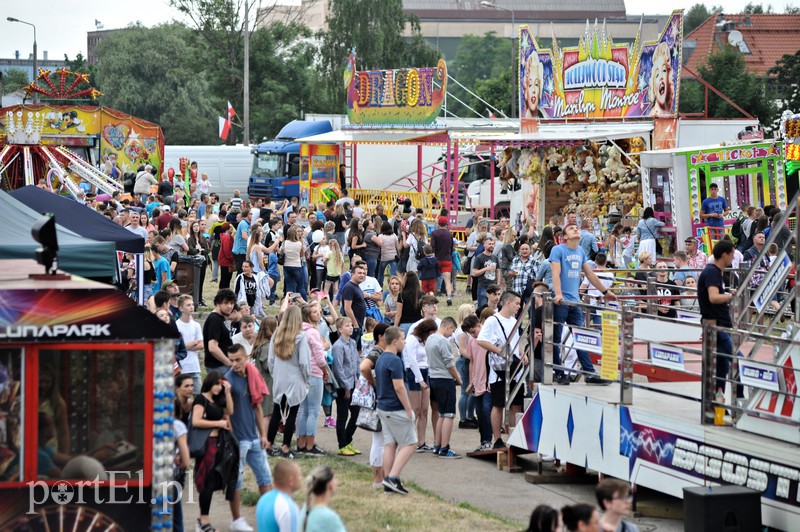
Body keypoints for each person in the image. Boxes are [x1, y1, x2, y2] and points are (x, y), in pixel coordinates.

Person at [550, 223, 617, 385]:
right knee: (556, 338)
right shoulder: (558, 250)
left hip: (574, 301)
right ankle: (558, 372)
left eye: (576, 228)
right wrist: (558, 293)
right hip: (562, 301)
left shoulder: (580, 251)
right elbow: (555, 273)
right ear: (564, 236)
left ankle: (589, 372)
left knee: (580, 337)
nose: (576, 229)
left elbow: (590, 274)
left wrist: (605, 292)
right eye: (571, 228)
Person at [225, 345, 272, 532]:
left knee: (265, 478)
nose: (234, 364)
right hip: (238, 440)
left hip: (254, 437)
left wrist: (263, 435)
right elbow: (226, 413)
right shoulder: (227, 380)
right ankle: (236, 520)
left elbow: (258, 408)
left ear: (246, 357)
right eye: (231, 360)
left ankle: (268, 515)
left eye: (237, 359)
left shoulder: (252, 374)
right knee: (236, 481)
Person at [477, 291, 525, 449]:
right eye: (517, 303)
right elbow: (481, 340)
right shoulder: (492, 320)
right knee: (498, 404)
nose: (519, 306)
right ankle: (497, 439)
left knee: (516, 404)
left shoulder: (514, 321)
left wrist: (522, 353)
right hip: (499, 370)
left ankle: (514, 438)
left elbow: (516, 342)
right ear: (508, 303)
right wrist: (499, 351)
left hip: (515, 368)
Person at [697, 239, 743, 401]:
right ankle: (740, 398)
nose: (734, 257)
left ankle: (719, 399)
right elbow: (714, 297)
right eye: (732, 254)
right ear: (725, 255)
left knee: (722, 367)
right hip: (717, 326)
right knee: (738, 361)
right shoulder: (713, 273)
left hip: (719, 325)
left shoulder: (714, 272)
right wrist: (731, 296)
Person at [192, 371, 237, 532]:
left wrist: (227, 392)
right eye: (217, 384)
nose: (218, 387)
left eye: (221, 384)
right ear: (210, 382)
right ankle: (204, 521)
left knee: (213, 480)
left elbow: (230, 412)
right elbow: (196, 421)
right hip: (207, 444)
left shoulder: (218, 399)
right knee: (207, 481)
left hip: (219, 444)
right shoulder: (201, 399)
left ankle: (203, 521)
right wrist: (217, 423)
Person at [376, 326, 416, 495]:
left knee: (390, 444)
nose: (405, 341)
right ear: (394, 341)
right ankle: (392, 477)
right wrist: (409, 409)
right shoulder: (394, 360)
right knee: (410, 443)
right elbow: (399, 387)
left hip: (383, 407)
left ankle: (387, 480)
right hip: (395, 408)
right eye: (402, 338)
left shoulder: (381, 358)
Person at [267, 305, 311, 459]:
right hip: (295, 377)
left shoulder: (276, 335)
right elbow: (304, 362)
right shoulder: (300, 337)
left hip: (280, 376)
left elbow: (270, 360)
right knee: (292, 412)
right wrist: (307, 378)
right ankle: (285, 446)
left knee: (277, 412)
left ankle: (269, 444)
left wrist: (275, 374)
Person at [295, 302, 329, 455]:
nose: (318, 314)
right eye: (315, 312)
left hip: (302, 373)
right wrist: (325, 370)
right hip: (314, 372)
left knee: (304, 409)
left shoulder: (300, 331)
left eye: (319, 311)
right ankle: (310, 445)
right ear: (308, 316)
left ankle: (300, 442)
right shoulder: (313, 333)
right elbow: (319, 356)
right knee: (313, 410)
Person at [426, 317, 462, 458]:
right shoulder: (443, 341)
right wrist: (458, 378)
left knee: (441, 413)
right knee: (449, 414)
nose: (452, 334)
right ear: (447, 327)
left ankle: (438, 444)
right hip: (445, 379)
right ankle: (445, 447)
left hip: (433, 377)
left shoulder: (430, 339)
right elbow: (449, 363)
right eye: (452, 330)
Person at [403, 318, 438, 453]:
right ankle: (408, 440)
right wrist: (419, 379)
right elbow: (411, 360)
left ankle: (421, 442)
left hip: (424, 371)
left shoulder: (424, 341)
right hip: (413, 373)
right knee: (415, 410)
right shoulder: (412, 339)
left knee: (424, 410)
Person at [331, 316, 362, 456]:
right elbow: (338, 368)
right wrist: (346, 386)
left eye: (351, 325)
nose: (351, 328)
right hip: (343, 386)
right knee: (342, 415)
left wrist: (358, 380)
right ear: (339, 329)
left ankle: (348, 440)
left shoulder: (353, 343)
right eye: (347, 326)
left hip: (354, 383)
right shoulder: (338, 346)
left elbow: (356, 362)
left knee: (356, 413)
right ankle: (342, 444)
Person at [255, 460, 303, 532]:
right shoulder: (288, 508)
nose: (301, 478)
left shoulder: (264, 499)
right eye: (299, 475)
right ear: (291, 480)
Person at [300, 466, 346, 532]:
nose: (336, 481)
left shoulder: (305, 509)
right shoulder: (329, 517)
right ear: (330, 485)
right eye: (334, 478)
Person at [203, 289, 236, 373]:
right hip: (218, 367)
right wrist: (228, 362)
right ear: (218, 303)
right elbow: (213, 347)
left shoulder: (221, 318)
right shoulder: (214, 319)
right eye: (226, 303)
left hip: (223, 366)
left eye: (232, 303)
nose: (230, 306)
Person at [176, 295, 203, 393]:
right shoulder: (176, 325)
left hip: (194, 366)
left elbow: (201, 345)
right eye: (188, 305)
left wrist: (186, 346)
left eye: (192, 304)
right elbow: (177, 348)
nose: (191, 307)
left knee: (198, 395)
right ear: (181, 308)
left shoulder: (196, 325)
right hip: (182, 367)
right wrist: (193, 343)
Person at [341, 262, 368, 350]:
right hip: (352, 326)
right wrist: (355, 324)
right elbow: (347, 308)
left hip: (358, 324)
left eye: (363, 273)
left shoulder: (357, 286)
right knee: (351, 350)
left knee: (357, 350)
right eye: (359, 273)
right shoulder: (349, 287)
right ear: (352, 274)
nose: (362, 275)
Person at [430, 216, 455, 306]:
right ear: (446, 224)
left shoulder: (434, 233)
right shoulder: (450, 234)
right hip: (447, 259)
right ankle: (448, 297)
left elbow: (432, 247)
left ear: (438, 224)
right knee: (447, 280)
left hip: (437, 259)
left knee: (436, 280)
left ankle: (435, 298)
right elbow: (452, 248)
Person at [472, 236, 499, 309]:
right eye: (489, 244)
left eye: (493, 244)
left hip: (493, 286)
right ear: (484, 245)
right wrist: (486, 268)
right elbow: (474, 273)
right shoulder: (479, 257)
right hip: (483, 286)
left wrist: (498, 283)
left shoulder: (495, 257)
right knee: (482, 308)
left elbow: (498, 270)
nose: (491, 246)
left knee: (494, 308)